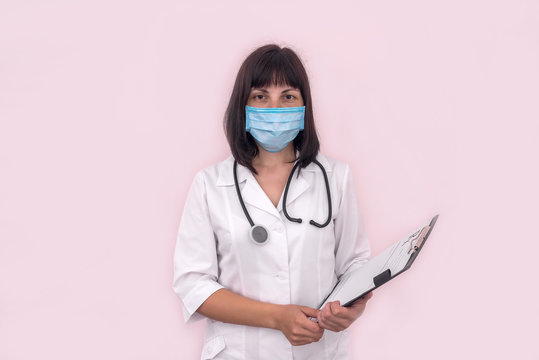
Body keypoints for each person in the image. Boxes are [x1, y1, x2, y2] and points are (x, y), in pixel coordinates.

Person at [172, 44, 373, 360]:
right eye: (260, 96)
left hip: (317, 351)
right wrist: (276, 317)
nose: (275, 108)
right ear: (244, 106)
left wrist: (351, 308)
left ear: (304, 107)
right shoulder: (210, 185)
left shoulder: (336, 177)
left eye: (288, 97)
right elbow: (193, 285)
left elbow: (355, 264)